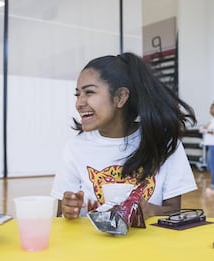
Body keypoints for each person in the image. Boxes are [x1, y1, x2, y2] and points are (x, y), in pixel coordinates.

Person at [51, 52, 198, 220]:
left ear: (120, 97)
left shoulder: (163, 144)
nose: (79, 103)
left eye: (89, 92)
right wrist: (69, 211)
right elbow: (61, 215)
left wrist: (151, 211)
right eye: (78, 94)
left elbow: (174, 212)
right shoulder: (75, 148)